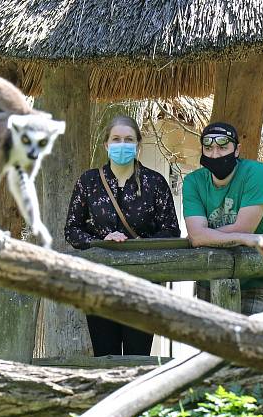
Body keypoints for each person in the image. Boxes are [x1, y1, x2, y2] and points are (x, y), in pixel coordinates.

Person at [65, 115, 181, 356]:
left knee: (138, 356)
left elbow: (171, 230)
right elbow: (72, 230)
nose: (122, 144)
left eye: (128, 139)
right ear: (106, 144)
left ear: (138, 145)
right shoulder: (89, 182)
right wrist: (99, 241)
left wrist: (139, 245)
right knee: (105, 355)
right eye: (116, 139)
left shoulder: (155, 183)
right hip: (99, 283)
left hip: (143, 283)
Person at [182, 122, 263, 314]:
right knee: (210, 344)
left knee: (249, 344)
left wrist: (202, 236)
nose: (215, 154)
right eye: (208, 148)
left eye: (223, 147)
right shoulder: (192, 181)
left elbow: (244, 228)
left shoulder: (256, 172)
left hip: (256, 279)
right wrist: (243, 238)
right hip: (207, 279)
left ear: (237, 150)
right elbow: (242, 234)